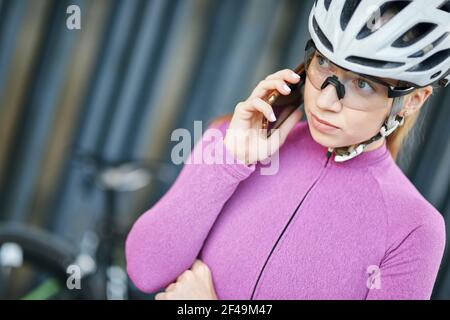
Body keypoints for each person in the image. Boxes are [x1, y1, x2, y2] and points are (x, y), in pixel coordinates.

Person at [125, 0, 449, 299]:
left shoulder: (414, 228)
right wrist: (229, 160)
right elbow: (145, 270)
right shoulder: (233, 139)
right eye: (323, 63)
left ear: (412, 100)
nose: (325, 101)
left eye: (362, 84)